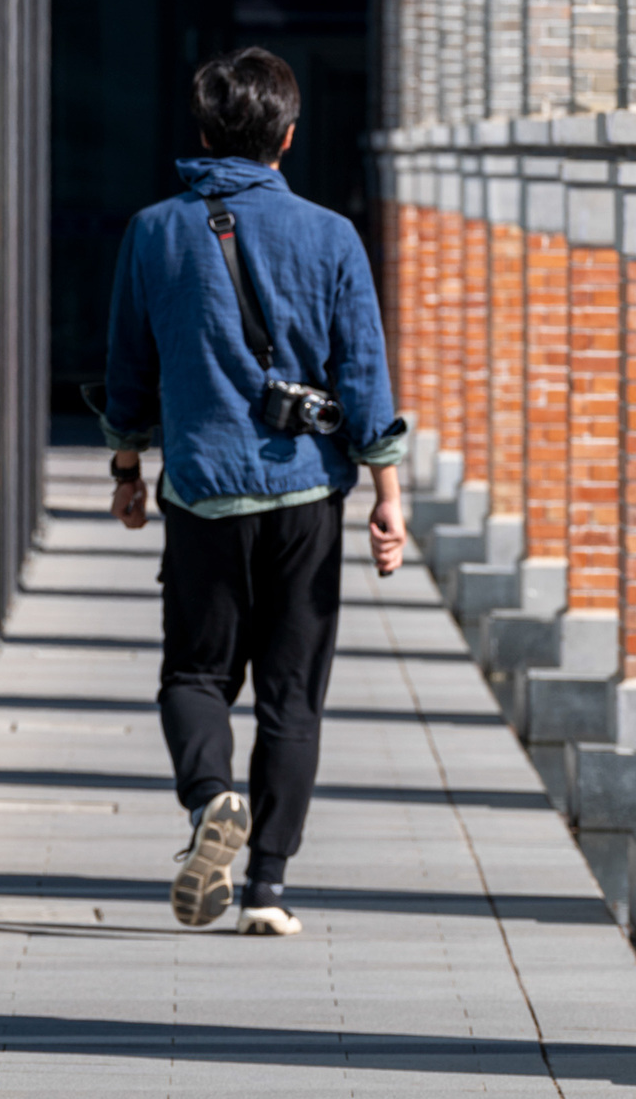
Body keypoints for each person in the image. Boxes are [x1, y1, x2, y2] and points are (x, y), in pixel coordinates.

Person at [100, 45, 408, 934]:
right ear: (288, 135)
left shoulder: (155, 231)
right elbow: (364, 376)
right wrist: (387, 494)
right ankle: (268, 884)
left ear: (202, 132)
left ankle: (209, 803)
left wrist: (128, 470)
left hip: (201, 492)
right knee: (291, 696)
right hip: (307, 496)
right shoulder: (332, 234)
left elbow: (128, 369)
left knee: (195, 672)